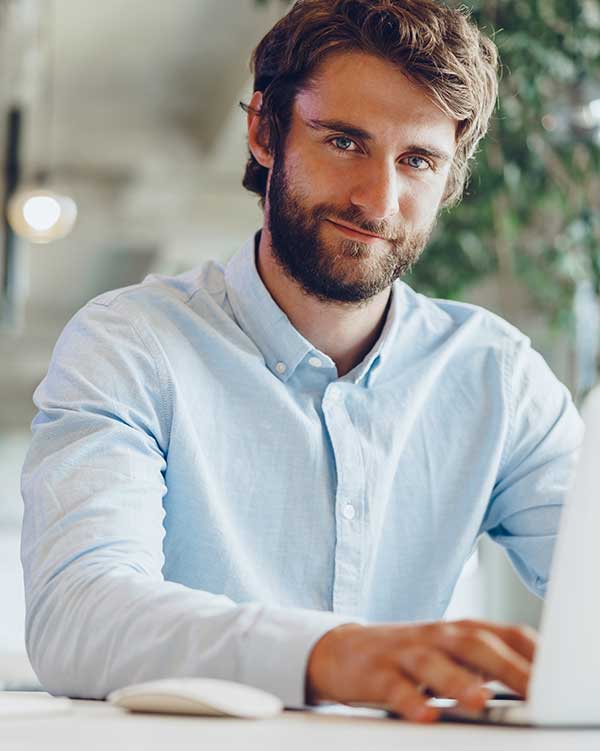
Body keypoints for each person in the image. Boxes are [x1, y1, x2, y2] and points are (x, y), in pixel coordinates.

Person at [21, 0, 583, 724]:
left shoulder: (497, 376)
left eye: (417, 161)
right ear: (263, 131)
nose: (379, 200)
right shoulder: (129, 345)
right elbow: (79, 613)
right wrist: (332, 654)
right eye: (344, 142)